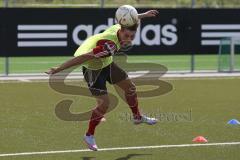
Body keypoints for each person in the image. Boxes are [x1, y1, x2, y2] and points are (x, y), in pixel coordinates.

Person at [46, 8, 159, 151]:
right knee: (105, 104)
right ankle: (89, 135)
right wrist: (58, 69)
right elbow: (82, 58)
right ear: (121, 31)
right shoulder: (108, 45)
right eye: (127, 35)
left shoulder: (120, 26)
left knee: (130, 88)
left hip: (107, 63)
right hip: (93, 70)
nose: (129, 39)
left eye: (132, 36)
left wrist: (144, 15)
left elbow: (127, 19)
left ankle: (137, 117)